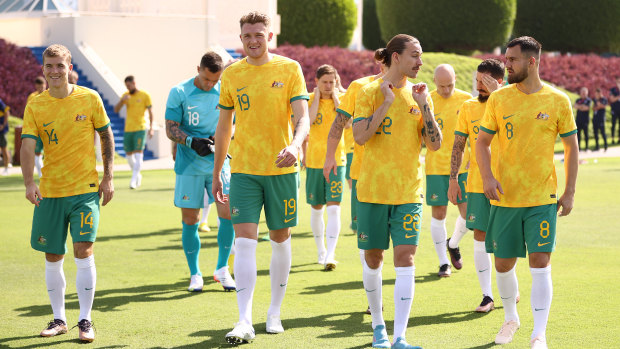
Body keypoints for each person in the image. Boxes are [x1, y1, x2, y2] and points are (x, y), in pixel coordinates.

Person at [212, 11, 310, 344]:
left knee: (281, 238)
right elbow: (224, 127)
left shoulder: (289, 68)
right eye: (246, 36)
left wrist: (296, 146)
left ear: (269, 36)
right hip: (243, 171)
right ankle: (243, 320)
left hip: (282, 168)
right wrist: (217, 173)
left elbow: (303, 118)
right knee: (244, 242)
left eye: (259, 34)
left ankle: (274, 313)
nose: (253, 41)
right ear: (240, 39)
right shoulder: (232, 74)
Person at [476, 36, 578, 349]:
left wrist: (570, 191)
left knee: (540, 262)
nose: (505, 65)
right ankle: (511, 319)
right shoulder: (499, 99)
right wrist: (488, 177)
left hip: (542, 199)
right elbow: (481, 143)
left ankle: (539, 334)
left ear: (531, 62)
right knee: (503, 264)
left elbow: (571, 147)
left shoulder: (557, 100)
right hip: (505, 197)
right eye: (505, 59)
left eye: (512, 60)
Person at [20, 44, 115, 343]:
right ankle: (59, 319)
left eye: (60, 65)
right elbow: (27, 146)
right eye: (49, 66)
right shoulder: (36, 105)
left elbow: (106, 134)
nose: (55, 71)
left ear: (70, 67)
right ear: (43, 69)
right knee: (53, 255)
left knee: (83, 250)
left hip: (85, 191)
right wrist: (28, 183)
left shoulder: (90, 97)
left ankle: (85, 320)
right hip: (50, 192)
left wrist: (108, 176)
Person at [353, 34, 441, 349]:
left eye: (421, 56)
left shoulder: (421, 95)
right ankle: (379, 328)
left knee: (406, 258)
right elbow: (361, 137)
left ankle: (400, 336)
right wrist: (387, 103)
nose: (420, 62)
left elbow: (434, 144)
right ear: (395, 57)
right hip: (373, 192)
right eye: (415, 56)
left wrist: (425, 108)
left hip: (408, 193)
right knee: (374, 258)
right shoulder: (367, 92)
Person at [165, 51, 237, 293]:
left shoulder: (224, 89)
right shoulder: (179, 92)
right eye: (207, 79)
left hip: (219, 164)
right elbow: (171, 128)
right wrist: (192, 142)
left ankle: (222, 269)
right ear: (198, 69)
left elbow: (233, 122)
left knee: (227, 214)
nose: (210, 85)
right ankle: (195, 274)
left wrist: (221, 137)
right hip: (189, 166)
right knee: (191, 220)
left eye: (215, 81)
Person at [324, 57, 386, 314]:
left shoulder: (410, 89)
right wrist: (329, 156)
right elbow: (339, 123)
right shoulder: (359, 87)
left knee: (404, 250)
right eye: (382, 64)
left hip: (401, 180)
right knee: (368, 241)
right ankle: (375, 301)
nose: (385, 69)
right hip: (363, 175)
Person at [449, 59, 507, 313]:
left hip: (508, 182)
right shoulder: (468, 107)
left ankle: (507, 288)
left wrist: (499, 95)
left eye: (484, 82)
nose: (478, 87)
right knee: (480, 237)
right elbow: (459, 145)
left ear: (499, 82)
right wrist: (453, 179)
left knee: (505, 239)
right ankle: (487, 295)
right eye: (477, 82)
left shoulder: (511, 102)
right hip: (476, 183)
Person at [426, 64, 472, 277]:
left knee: (469, 215)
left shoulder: (466, 100)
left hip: (463, 166)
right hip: (436, 166)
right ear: (435, 82)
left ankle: (452, 243)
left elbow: (475, 132)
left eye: (450, 85)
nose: (446, 90)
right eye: (442, 86)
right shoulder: (427, 101)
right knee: (439, 213)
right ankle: (444, 262)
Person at [306, 64, 345, 270]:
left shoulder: (343, 100)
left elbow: (347, 124)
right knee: (316, 209)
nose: (329, 86)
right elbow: (309, 121)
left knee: (334, 209)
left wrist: (337, 98)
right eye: (325, 82)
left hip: (337, 161)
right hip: (314, 161)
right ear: (317, 83)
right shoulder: (310, 100)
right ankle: (321, 250)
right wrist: (317, 98)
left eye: (332, 81)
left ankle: (331, 253)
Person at [114, 75, 154, 189]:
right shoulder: (125, 96)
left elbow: (151, 112)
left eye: (129, 85)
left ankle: (133, 180)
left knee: (138, 155)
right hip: (128, 129)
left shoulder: (145, 95)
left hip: (140, 128)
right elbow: (116, 110)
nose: (128, 87)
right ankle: (137, 175)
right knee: (128, 156)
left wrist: (151, 128)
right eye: (126, 86)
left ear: (134, 83)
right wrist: (122, 101)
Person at [27, 76, 47, 177]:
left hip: (50, 128)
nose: (40, 89)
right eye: (38, 87)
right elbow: (28, 113)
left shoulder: (51, 95)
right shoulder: (32, 97)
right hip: (37, 129)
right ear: (36, 86)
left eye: (42, 87)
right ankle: (41, 176)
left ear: (45, 85)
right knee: (37, 153)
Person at [574, 87, 591, 151]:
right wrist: (582, 106)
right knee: (578, 135)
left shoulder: (589, 100)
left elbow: (587, 108)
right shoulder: (578, 100)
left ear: (587, 93)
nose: (583, 94)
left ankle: (586, 147)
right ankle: (579, 148)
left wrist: (579, 106)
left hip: (585, 120)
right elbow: (575, 106)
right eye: (582, 92)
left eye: (584, 92)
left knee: (586, 134)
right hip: (578, 119)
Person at [0, 97, 11, 175]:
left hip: (1, 131)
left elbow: (7, 112)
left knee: (4, 148)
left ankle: (6, 168)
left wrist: (3, 125)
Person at [609, 76, 620, 144]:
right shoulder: (613, 90)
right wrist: (618, 97)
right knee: (613, 124)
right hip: (614, 109)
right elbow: (611, 99)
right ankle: (612, 138)